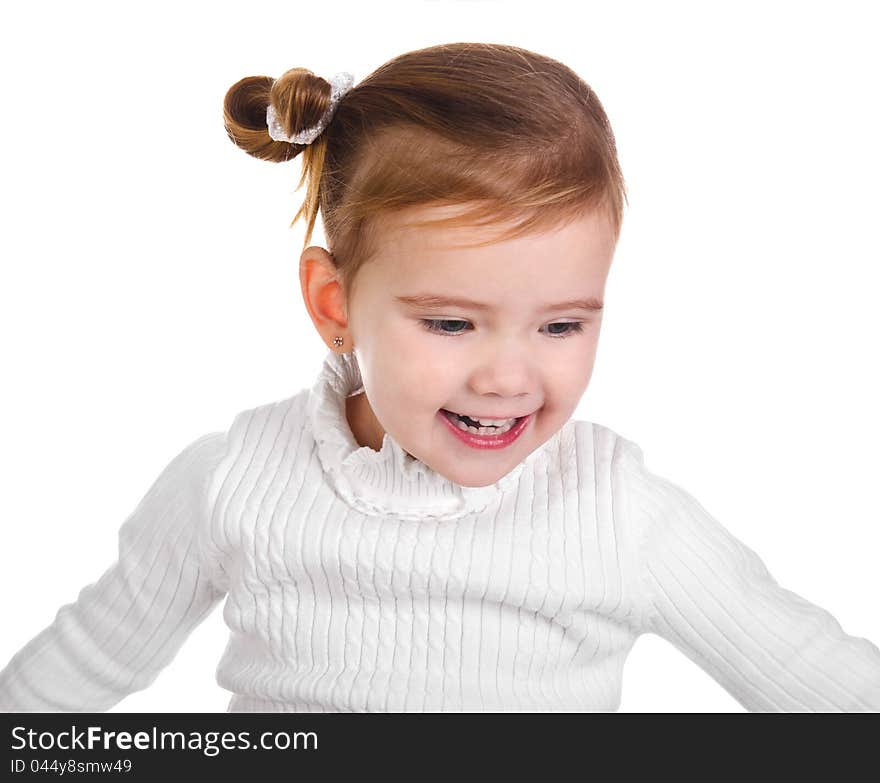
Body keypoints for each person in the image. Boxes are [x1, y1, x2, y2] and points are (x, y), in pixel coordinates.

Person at [1, 41, 878, 713]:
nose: (507, 376)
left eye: (561, 323)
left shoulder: (618, 510)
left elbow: (811, 672)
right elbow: (79, 667)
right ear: (335, 302)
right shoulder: (234, 480)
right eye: (452, 323)